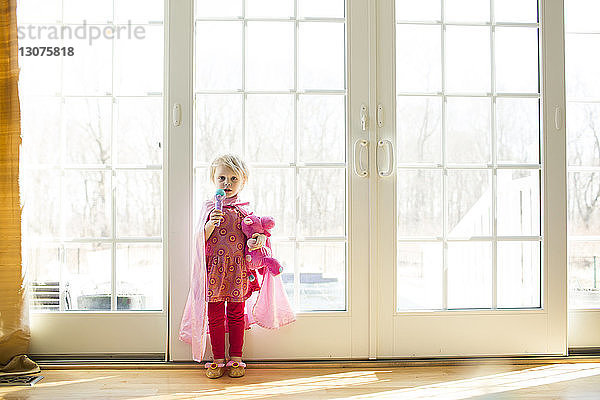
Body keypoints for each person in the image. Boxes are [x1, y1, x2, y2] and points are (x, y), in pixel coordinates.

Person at [179, 153, 295, 379]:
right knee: (214, 316)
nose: (227, 184)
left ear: (243, 181)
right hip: (213, 271)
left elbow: (254, 236)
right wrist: (210, 225)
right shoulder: (209, 208)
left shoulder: (245, 210)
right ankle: (217, 359)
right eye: (222, 178)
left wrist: (259, 240)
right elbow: (198, 242)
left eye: (233, 179)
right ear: (214, 179)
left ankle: (236, 358)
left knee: (236, 314)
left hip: (238, 271)